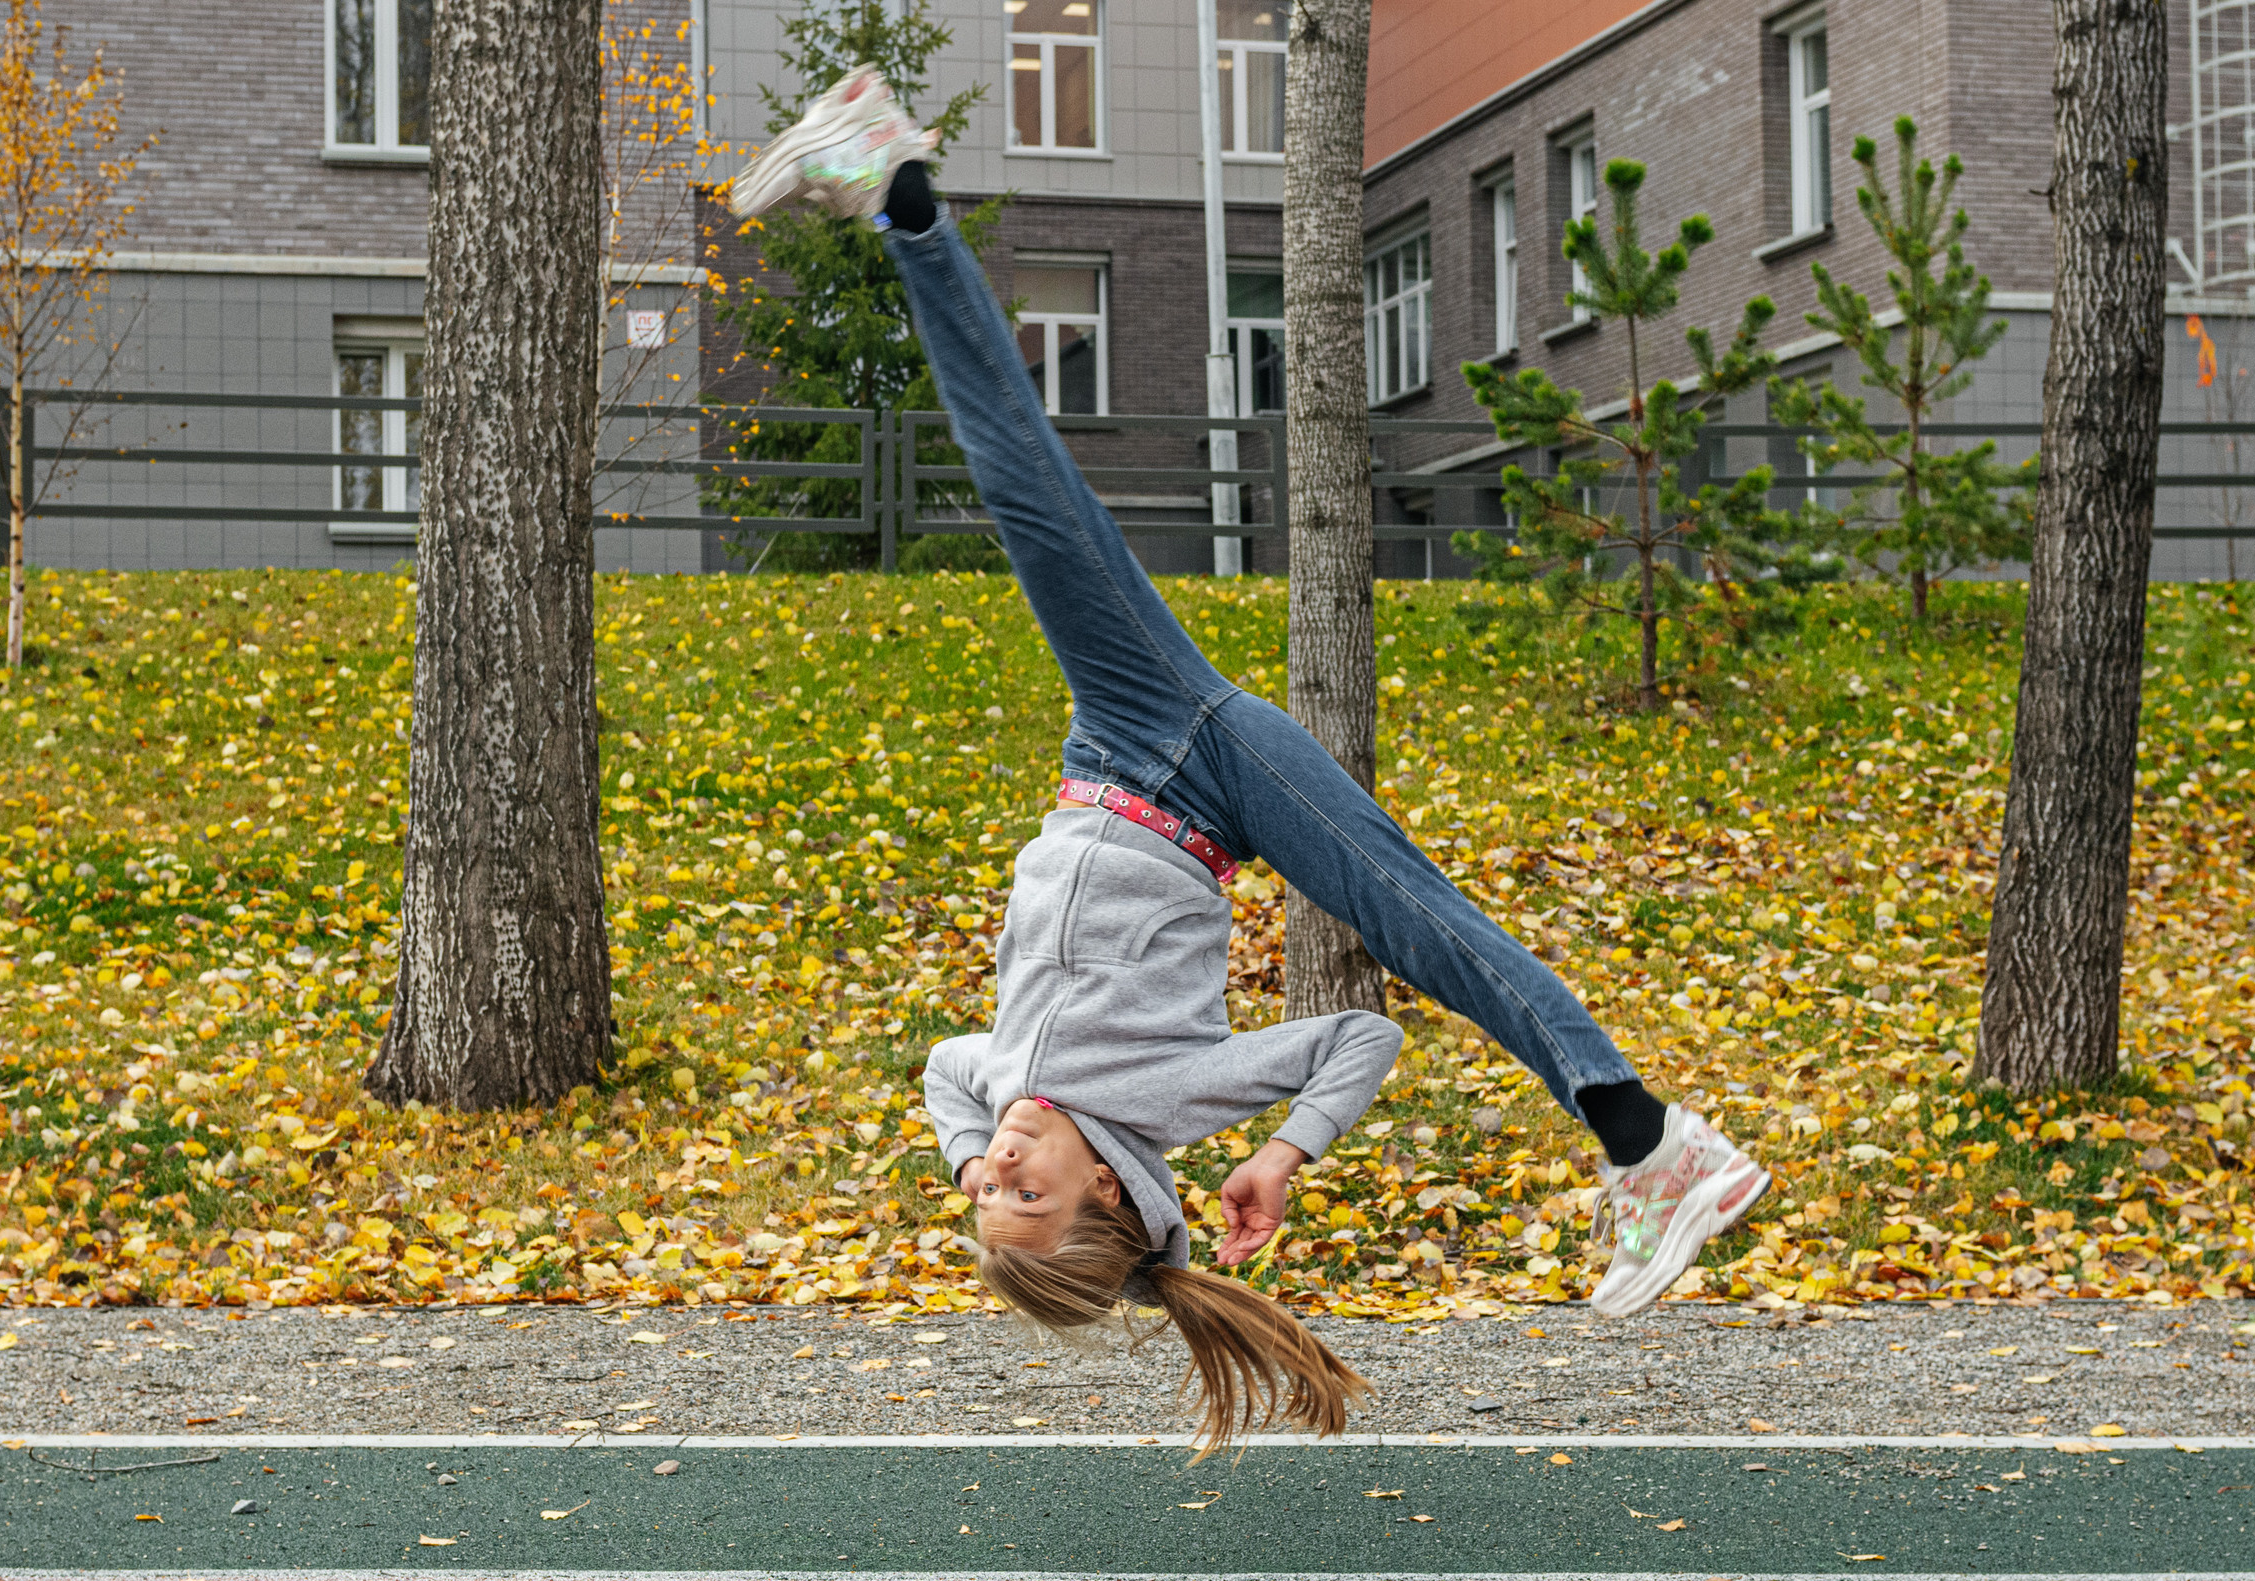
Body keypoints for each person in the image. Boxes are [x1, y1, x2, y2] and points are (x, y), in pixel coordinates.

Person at [732, 71, 1771, 1454]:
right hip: (1189, 759)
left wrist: (971, 1151)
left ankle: (897, 188)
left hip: (1110, 751)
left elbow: (941, 1068)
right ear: (1110, 1190)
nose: (999, 1171)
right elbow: (1357, 1033)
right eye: (1027, 1195)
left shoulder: (998, 1092)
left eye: (983, 1195)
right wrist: (1282, 1152)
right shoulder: (1153, 1108)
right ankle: (1649, 1141)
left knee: (1028, 493)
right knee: (1420, 926)